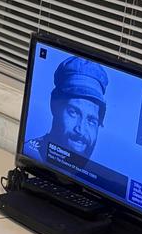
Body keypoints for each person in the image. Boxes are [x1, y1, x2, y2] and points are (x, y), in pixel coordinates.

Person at [23, 55, 128, 197]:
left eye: (91, 120)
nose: (80, 130)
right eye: (73, 112)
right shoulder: (31, 154)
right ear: (54, 105)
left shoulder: (99, 180)